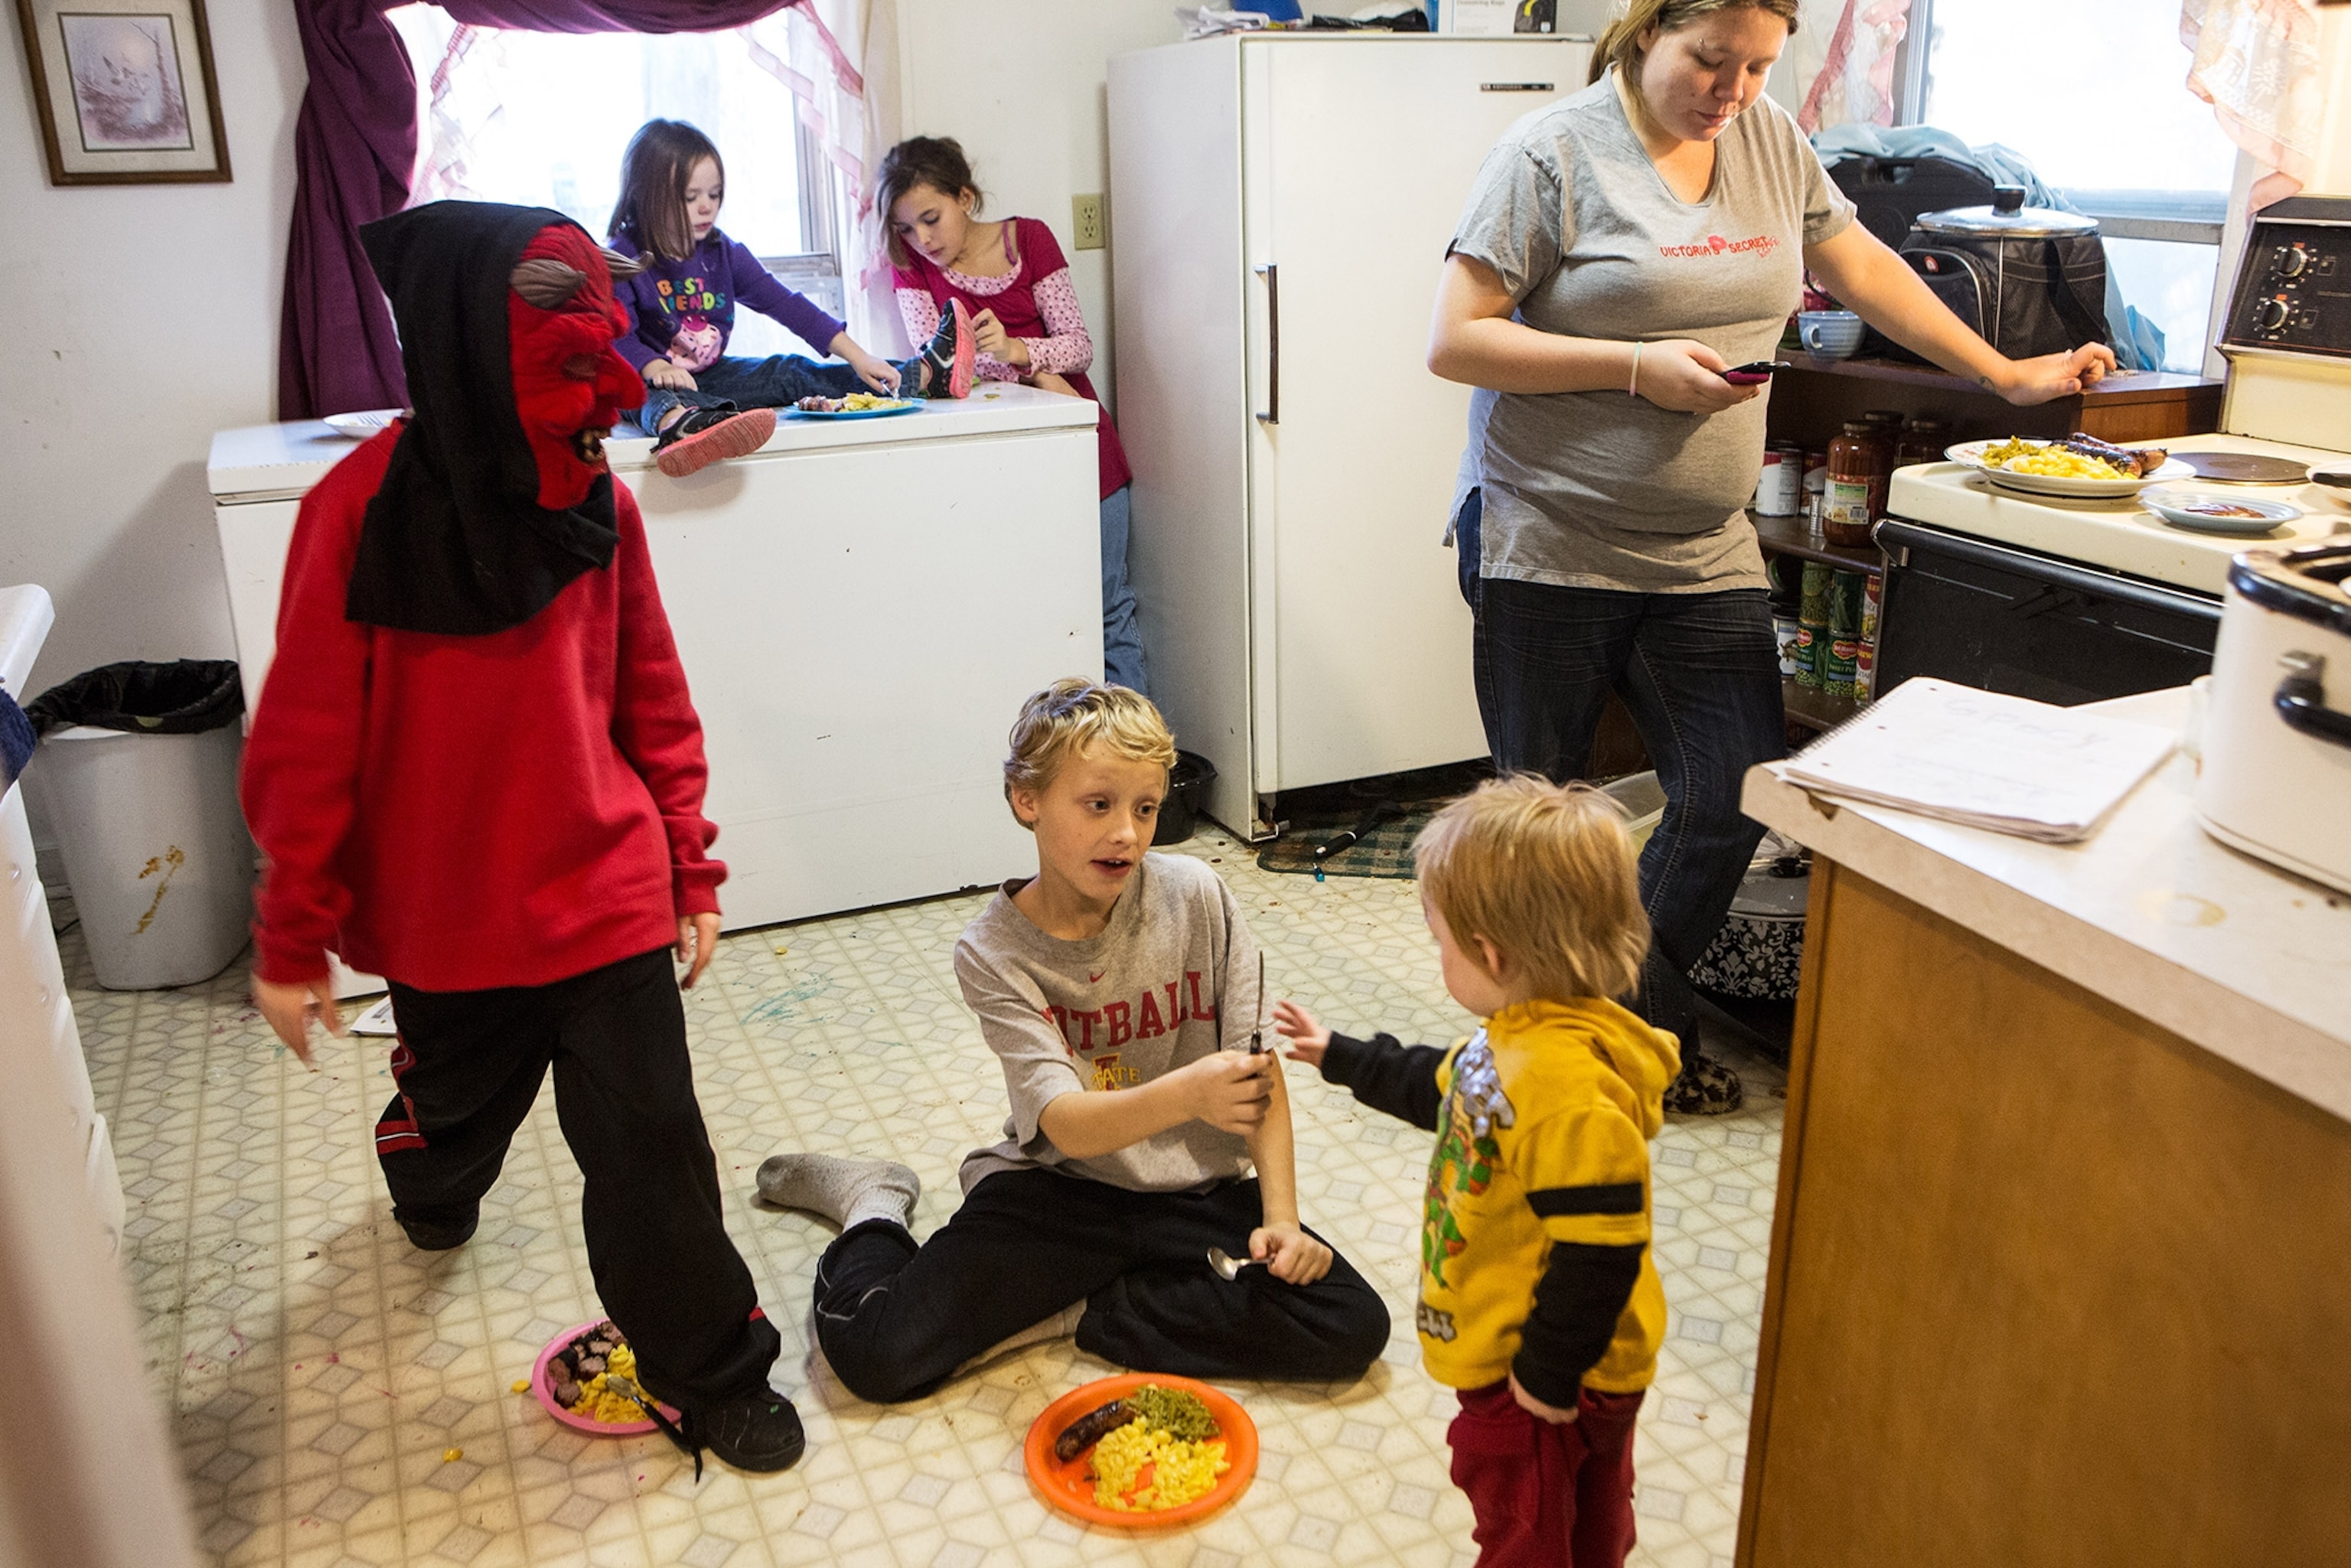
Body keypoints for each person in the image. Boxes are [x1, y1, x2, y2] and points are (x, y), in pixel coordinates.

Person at [1427, 0, 2117, 1115]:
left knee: (1736, 793)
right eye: (1712, 59)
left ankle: (1616, 1028)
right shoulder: (1549, 153)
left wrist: (2007, 372)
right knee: (1536, 832)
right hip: (1544, 542)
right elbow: (1456, 338)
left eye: (1757, 66)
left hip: (1704, 548)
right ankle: (1547, 1066)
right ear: (1648, 29)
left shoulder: (1771, 141)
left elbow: (1862, 267)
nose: (1734, 90)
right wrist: (1641, 370)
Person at [240, 200, 804, 1475]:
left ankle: (709, 1362)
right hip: (444, 919)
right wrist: (287, 935)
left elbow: (650, 695)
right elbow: (304, 741)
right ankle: (422, 1152)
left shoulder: (600, 502)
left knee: (652, 1133)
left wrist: (686, 861)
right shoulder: (353, 511)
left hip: (602, 892)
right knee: (456, 1118)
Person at [756, 680, 1388, 1401]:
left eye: (1146, 808)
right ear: (1027, 799)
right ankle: (872, 1198)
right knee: (878, 1354)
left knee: (1349, 1323)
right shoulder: (992, 950)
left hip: (1195, 1189)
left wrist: (1281, 1220)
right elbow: (1064, 1125)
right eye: (1099, 804)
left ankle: (1082, 1309)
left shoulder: (1199, 895)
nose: (1127, 831)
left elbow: (1258, 1079)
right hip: (1058, 1190)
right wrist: (1189, 1091)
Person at [1272, 776, 1679, 1568]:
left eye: (1441, 942)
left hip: (1541, 1367)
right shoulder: (1521, 1038)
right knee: (1584, 1518)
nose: (1438, 956)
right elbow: (1446, 1084)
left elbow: (1603, 1250)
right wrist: (1342, 1055)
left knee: (1521, 1526)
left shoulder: (1563, 1089)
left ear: (1491, 954)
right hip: (1560, 1360)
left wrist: (1545, 1377)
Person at [879, 139, 1149, 696]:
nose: (922, 240)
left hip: (1085, 454)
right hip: (1004, 465)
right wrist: (1035, 380)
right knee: (1032, 618)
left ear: (966, 198)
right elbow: (941, 372)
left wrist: (1019, 352)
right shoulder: (911, 269)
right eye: (906, 229)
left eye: (931, 219)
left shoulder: (1029, 239)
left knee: (1108, 607)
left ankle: (1137, 765)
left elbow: (1078, 347)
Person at [608, 119, 976, 479]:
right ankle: (680, 427)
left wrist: (857, 355)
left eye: (715, 194)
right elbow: (616, 334)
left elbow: (787, 305)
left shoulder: (722, 253)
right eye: (691, 197)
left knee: (789, 369)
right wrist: (654, 368)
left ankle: (924, 375)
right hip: (645, 381)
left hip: (707, 377)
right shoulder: (623, 257)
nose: (707, 207)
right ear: (647, 196)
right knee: (643, 395)